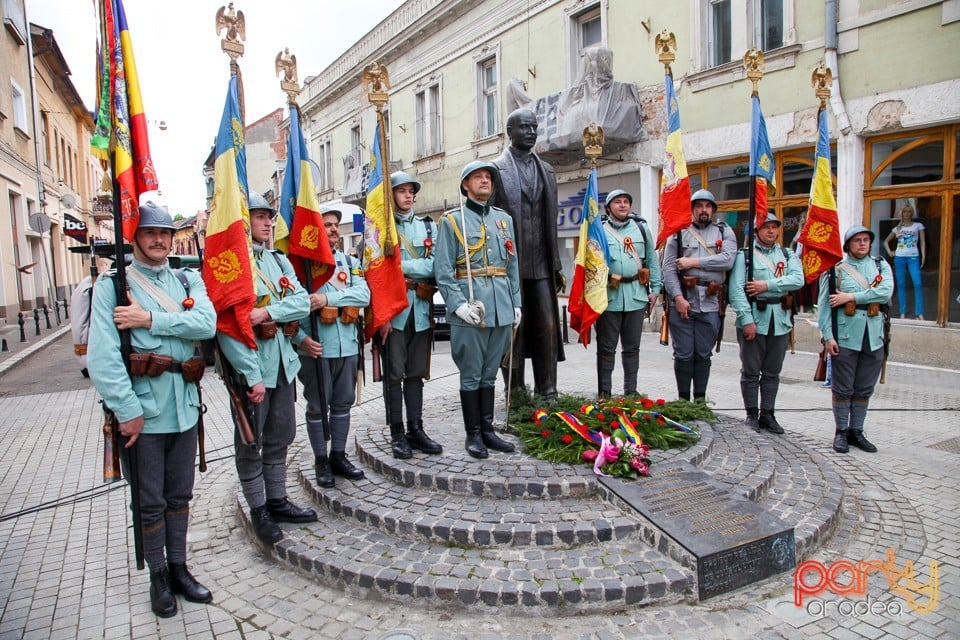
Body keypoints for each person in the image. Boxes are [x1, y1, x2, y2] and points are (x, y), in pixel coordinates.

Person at [87, 202, 217, 617]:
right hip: (144, 410)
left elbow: (207, 325)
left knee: (180, 495)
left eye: (163, 232)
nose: (159, 239)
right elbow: (104, 357)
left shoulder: (186, 278)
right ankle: (158, 576)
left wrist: (148, 320)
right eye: (149, 233)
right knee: (149, 501)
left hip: (184, 405)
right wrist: (126, 409)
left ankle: (179, 567)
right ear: (134, 237)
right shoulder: (113, 286)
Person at [217, 192, 317, 546]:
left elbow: (301, 302)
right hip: (253, 370)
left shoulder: (278, 262)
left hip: (282, 367)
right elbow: (228, 325)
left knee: (280, 438)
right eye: (259, 217)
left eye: (269, 217)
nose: (267, 223)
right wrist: (250, 373)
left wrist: (266, 313)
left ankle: (277, 500)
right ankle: (258, 509)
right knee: (251, 443)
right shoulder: (232, 265)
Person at [435, 161, 521, 459]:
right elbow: (444, 271)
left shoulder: (503, 220)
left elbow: (511, 266)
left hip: (501, 307)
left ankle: (487, 430)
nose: (485, 181)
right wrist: (458, 306)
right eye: (477, 177)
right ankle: (473, 434)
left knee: (489, 375)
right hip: (472, 308)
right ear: (465, 185)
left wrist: (516, 302)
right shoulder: (452, 221)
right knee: (471, 374)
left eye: (488, 177)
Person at [491, 108, 565, 401]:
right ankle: (515, 391)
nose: (531, 132)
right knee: (514, 328)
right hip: (511, 267)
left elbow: (551, 224)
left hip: (542, 264)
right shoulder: (496, 169)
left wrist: (556, 265)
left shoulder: (547, 170)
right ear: (510, 132)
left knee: (547, 325)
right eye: (525, 127)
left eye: (534, 127)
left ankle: (548, 389)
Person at [297, 205, 371, 486]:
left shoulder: (350, 263)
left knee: (343, 404)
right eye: (326, 224)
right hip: (317, 347)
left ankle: (338, 455)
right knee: (317, 407)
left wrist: (327, 300)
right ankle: (320, 460)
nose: (332, 229)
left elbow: (363, 294)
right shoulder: (302, 265)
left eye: (334, 225)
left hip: (348, 346)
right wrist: (300, 340)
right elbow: (293, 307)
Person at [376, 172, 443, 459]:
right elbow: (377, 272)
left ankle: (416, 428)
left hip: (421, 309)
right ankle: (396, 432)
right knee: (394, 375)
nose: (407, 195)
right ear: (390, 195)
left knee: (416, 374)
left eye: (409, 191)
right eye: (400, 191)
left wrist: (402, 267)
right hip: (394, 310)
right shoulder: (382, 230)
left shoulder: (429, 227)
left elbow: (436, 265)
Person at [819, 226, 893, 454]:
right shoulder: (835, 270)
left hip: (874, 336)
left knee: (864, 388)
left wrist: (850, 296)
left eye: (866, 240)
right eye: (857, 240)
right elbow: (823, 307)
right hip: (845, 336)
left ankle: (856, 431)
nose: (862, 244)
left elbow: (885, 292)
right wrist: (827, 337)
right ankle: (841, 431)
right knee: (843, 388)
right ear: (848, 245)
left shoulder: (880, 265)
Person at [728, 213, 804, 434]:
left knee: (772, 372)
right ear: (756, 231)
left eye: (774, 227)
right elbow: (736, 291)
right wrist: (746, 320)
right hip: (754, 318)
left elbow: (798, 280)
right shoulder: (746, 257)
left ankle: (768, 414)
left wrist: (766, 285)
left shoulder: (787, 255)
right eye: (766, 227)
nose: (771, 231)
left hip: (779, 320)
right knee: (751, 371)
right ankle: (752, 413)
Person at [661, 189, 737, 401]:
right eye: (699, 206)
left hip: (712, 302)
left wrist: (694, 262)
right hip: (684, 300)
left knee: (703, 354)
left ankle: (700, 401)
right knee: (684, 354)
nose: (704, 210)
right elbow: (668, 269)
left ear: (713, 210)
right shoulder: (678, 232)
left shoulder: (724, 232)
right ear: (692, 209)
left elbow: (728, 260)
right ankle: (684, 401)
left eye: (708, 206)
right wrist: (678, 298)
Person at [596, 189, 661, 397]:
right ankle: (604, 392)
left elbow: (652, 259)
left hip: (636, 296)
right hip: (609, 297)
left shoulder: (641, 229)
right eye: (617, 202)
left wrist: (655, 290)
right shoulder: (600, 230)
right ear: (608, 207)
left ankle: (630, 391)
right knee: (606, 349)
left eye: (626, 201)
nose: (623, 205)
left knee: (632, 348)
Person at [882, 202, 925, 320]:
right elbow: (885, 241)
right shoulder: (897, 228)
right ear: (902, 214)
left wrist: (923, 256)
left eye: (909, 212)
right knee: (901, 284)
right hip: (899, 257)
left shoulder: (918, 226)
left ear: (912, 213)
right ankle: (902, 311)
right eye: (905, 212)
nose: (907, 214)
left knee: (918, 283)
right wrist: (890, 252)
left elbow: (922, 242)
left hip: (913, 257)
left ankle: (919, 312)